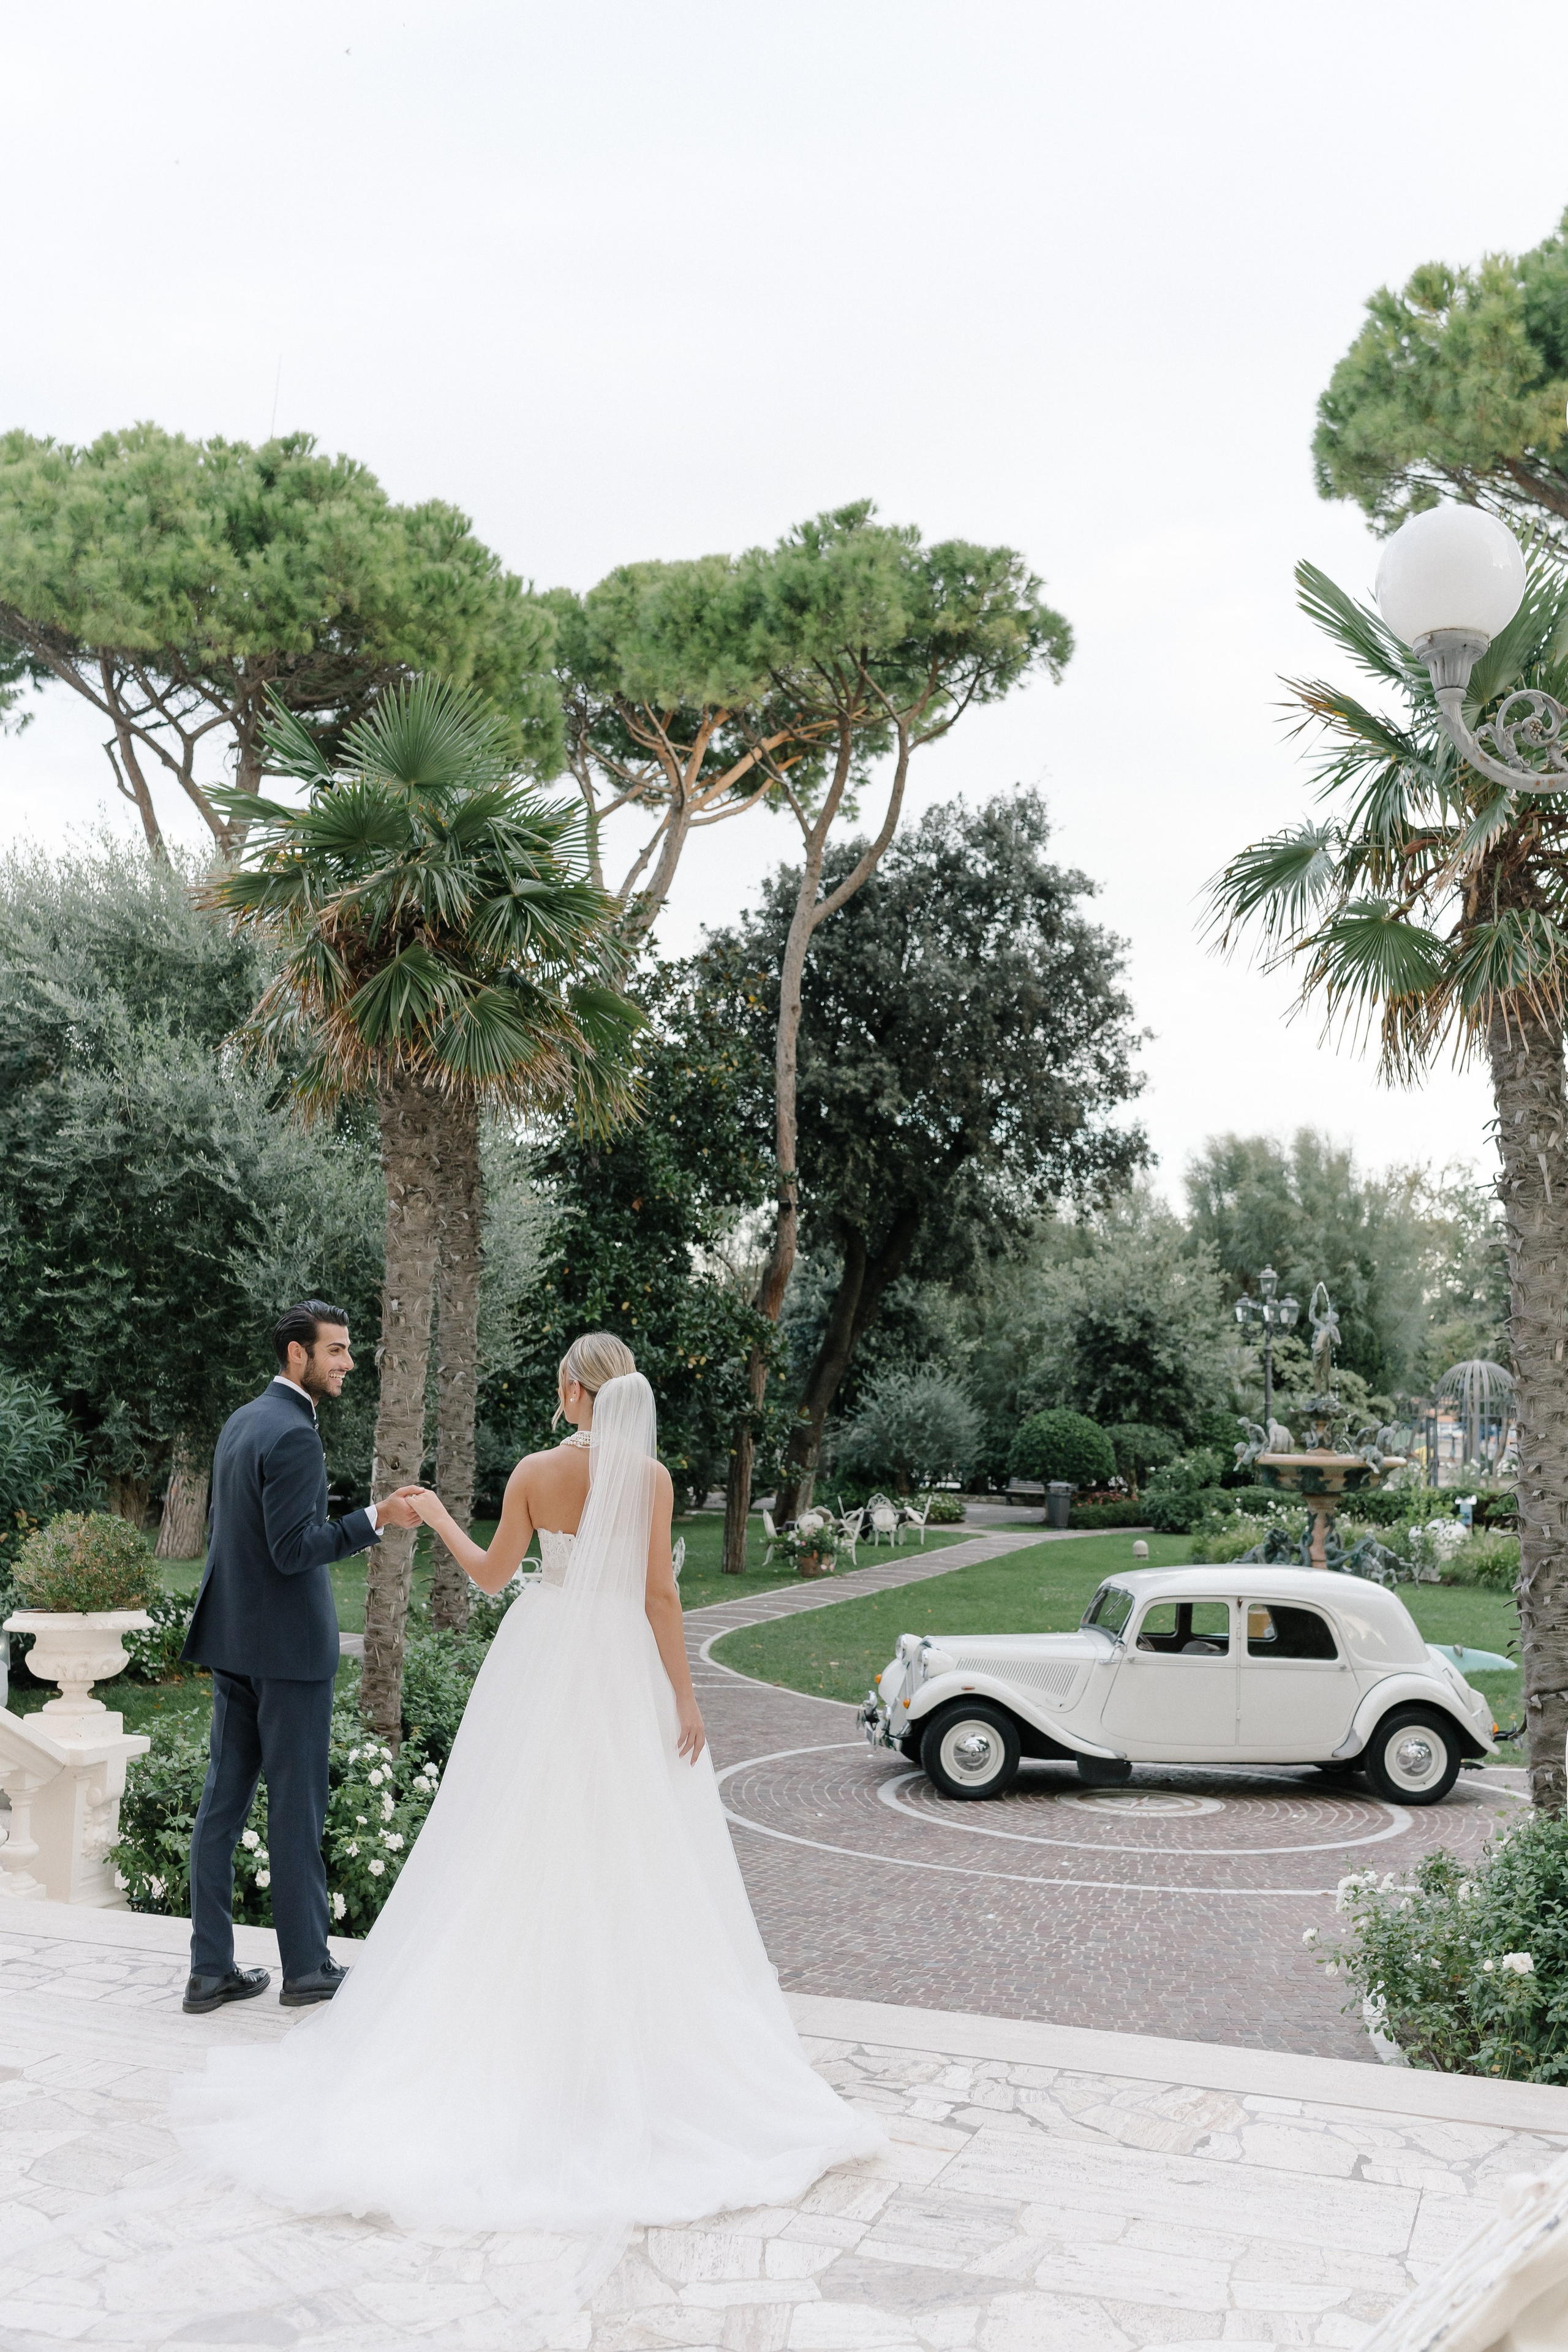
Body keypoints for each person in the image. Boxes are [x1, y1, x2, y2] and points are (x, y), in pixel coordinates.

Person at [172, 1332, 883, 2305]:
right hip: (622, 1672)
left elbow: (490, 1574)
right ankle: (623, 2043)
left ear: (572, 1393)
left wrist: (428, 1514)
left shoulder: (538, 1473)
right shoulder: (657, 1480)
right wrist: (686, 1700)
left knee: (512, 1841)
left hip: (545, 1661)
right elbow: (662, 1598)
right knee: (628, 1849)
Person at [180, 1300, 421, 2016]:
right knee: (295, 1810)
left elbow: (239, 1541)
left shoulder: (243, 1421)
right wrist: (377, 1518)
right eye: (337, 1351)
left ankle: (209, 1971)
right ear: (298, 1355)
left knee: (220, 1809)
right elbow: (292, 1549)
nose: (348, 1364)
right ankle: (308, 1969)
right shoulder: (292, 1435)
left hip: (236, 1648)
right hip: (288, 1657)